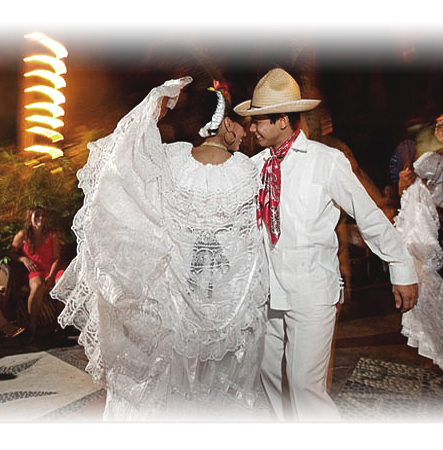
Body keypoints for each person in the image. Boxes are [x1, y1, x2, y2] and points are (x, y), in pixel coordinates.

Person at [51, 77, 270, 421]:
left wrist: (153, 108)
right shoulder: (247, 171)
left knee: (177, 393)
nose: (244, 133)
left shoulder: (171, 163)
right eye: (240, 125)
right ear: (225, 122)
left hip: (178, 307)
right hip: (231, 305)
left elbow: (123, 165)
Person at [234, 68, 419, 421]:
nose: (252, 128)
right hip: (265, 294)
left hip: (312, 291)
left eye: (259, 121)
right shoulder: (253, 167)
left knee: (305, 387)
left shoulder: (325, 160)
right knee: (269, 380)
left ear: (283, 120)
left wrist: (401, 267)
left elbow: (367, 215)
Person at [395, 111, 443, 390]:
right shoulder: (433, 162)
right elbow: (421, 191)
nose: (442, 129)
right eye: (439, 125)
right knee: (442, 298)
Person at [9, 206, 63, 343]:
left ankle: (58, 326)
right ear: (30, 218)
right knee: (37, 286)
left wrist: (51, 276)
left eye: (43, 216)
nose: (41, 218)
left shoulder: (53, 235)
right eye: (37, 216)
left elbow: (57, 258)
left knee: (63, 284)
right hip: (36, 271)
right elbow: (11, 252)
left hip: (52, 269)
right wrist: (24, 259)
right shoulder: (23, 235)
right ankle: (31, 329)